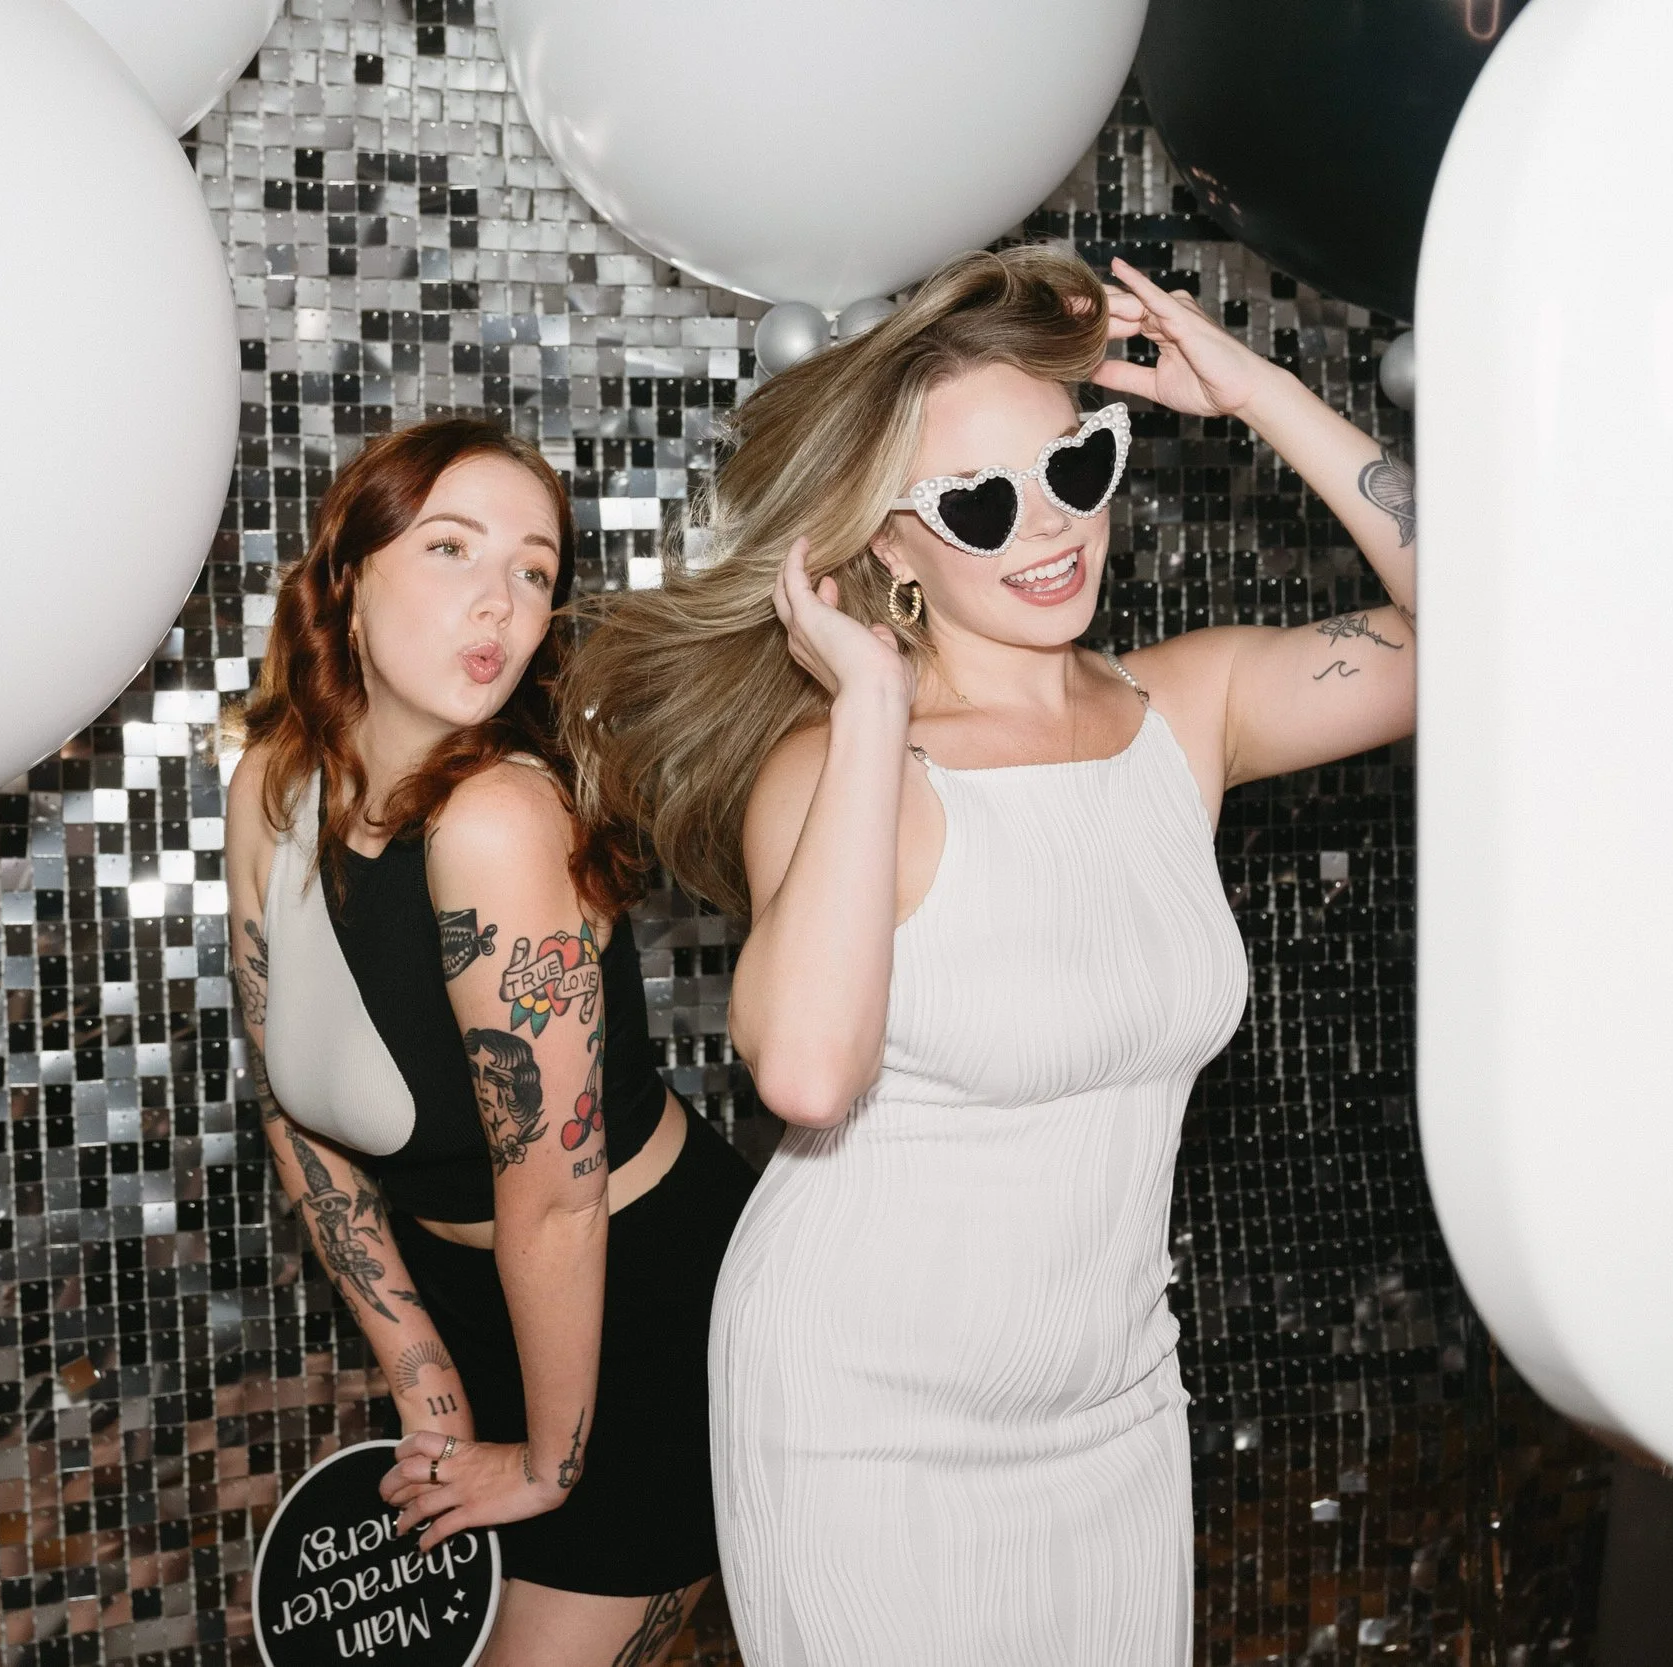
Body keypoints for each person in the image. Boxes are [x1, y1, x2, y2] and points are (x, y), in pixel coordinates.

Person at [559, 248, 1418, 1664]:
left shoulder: (1185, 711)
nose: (1049, 526)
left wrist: (1256, 390)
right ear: (888, 545)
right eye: (978, 500)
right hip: (863, 1430)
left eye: (1075, 466)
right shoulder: (835, 771)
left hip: (1113, 1414)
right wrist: (876, 710)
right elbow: (810, 1071)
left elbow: (1500, 634)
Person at [224, 418, 756, 1666]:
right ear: (345, 580)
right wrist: (418, 1366)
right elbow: (291, 1109)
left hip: (645, 1305)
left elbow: (555, 1199)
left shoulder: (499, 820)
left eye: (532, 569)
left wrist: (552, 1456)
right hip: (466, 1295)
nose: (500, 602)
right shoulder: (274, 783)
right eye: (452, 547)